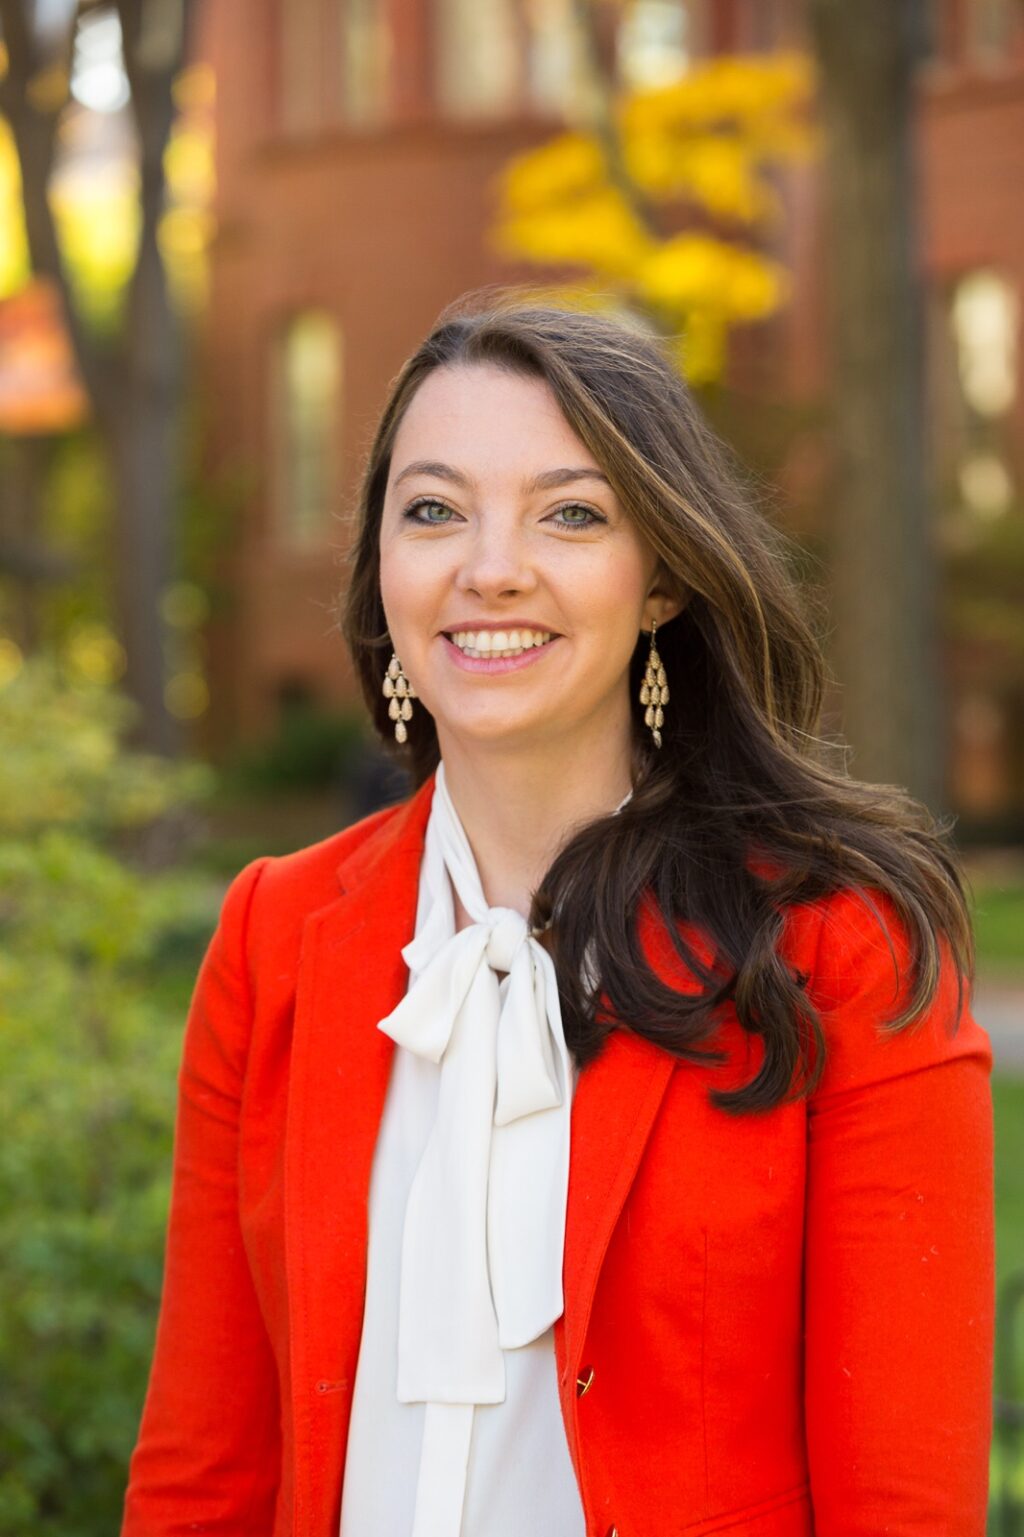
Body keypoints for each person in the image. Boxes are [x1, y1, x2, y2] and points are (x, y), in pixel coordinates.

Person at [121, 294, 994, 1537]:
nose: (490, 567)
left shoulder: (840, 946)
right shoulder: (276, 934)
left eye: (570, 514)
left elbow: (901, 1509)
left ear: (663, 583)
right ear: (382, 565)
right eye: (433, 510)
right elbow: (202, 1475)